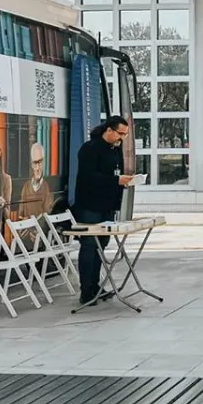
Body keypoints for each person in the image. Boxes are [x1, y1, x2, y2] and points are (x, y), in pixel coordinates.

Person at [73, 116, 134, 305]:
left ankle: (95, 286)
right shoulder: (90, 148)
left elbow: (114, 172)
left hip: (107, 206)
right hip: (90, 205)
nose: (121, 138)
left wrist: (123, 181)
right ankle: (86, 290)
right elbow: (89, 176)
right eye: (120, 133)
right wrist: (115, 181)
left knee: (101, 245)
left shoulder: (114, 150)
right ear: (109, 130)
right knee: (90, 245)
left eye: (125, 135)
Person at [17, 141, 55, 245]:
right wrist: (25, 230)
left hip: (43, 235)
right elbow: (21, 215)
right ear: (31, 164)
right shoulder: (25, 187)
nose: (38, 168)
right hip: (27, 237)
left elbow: (48, 215)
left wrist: (38, 232)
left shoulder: (49, 186)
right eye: (35, 163)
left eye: (40, 162)